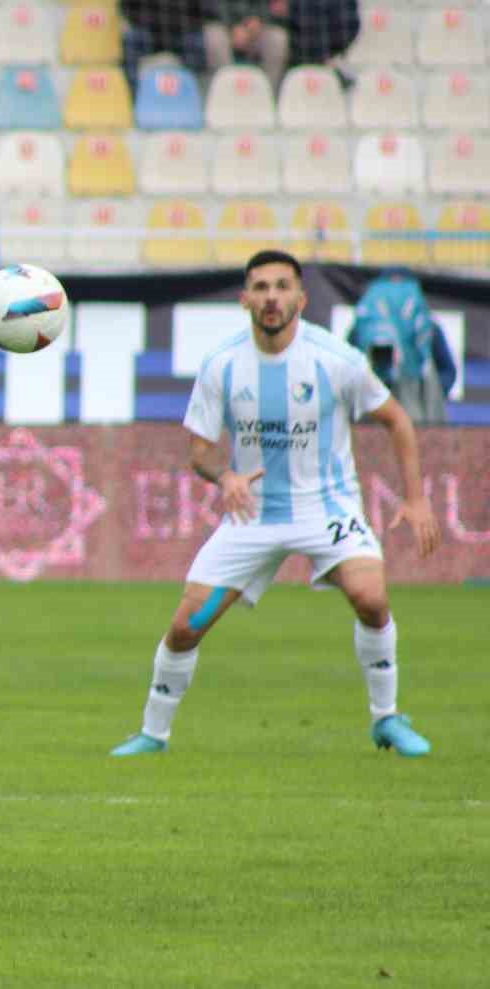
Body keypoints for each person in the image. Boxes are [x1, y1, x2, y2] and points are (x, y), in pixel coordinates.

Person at [110, 250, 441, 759]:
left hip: (327, 509)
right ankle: (153, 735)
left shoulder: (338, 360)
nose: (271, 297)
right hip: (252, 516)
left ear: (301, 299)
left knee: (372, 599)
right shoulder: (222, 364)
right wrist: (226, 477)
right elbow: (198, 450)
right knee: (186, 625)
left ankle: (387, 719)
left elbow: (397, 419)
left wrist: (416, 500)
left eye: (282, 287)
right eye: (260, 287)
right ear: (245, 298)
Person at [348, 269, 457, 427]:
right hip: (373, 412)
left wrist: (431, 394)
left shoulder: (427, 328)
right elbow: (346, 367)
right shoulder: (363, 327)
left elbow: (448, 371)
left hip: (415, 412)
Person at [205, 1, 291, 92]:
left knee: (277, 38)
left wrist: (258, 20)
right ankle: (226, 91)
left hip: (255, 30)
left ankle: (266, 94)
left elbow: (266, 6)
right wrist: (233, 26)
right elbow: (212, 8)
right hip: (224, 28)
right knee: (214, 36)